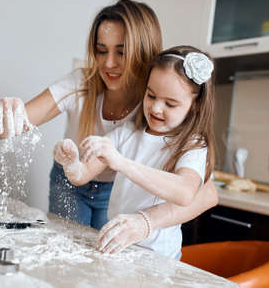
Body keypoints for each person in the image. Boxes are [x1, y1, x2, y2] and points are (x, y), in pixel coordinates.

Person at [0, 0, 163, 230]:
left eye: (121, 52)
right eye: (101, 51)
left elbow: (196, 186)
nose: (108, 63)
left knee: (104, 260)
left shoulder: (157, 101)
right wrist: (6, 115)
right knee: (66, 251)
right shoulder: (80, 83)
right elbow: (12, 126)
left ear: (144, 52)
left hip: (118, 190)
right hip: (68, 183)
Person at [53, 45, 217, 259]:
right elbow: (82, 175)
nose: (156, 108)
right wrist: (72, 163)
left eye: (170, 103)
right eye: (151, 95)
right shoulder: (127, 133)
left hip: (159, 256)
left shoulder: (192, 144)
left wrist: (122, 163)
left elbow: (185, 192)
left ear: (195, 106)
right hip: (120, 246)